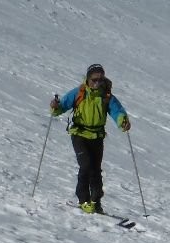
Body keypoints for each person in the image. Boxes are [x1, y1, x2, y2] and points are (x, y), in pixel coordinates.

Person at [49, 63, 131, 213]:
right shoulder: (79, 92)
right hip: (79, 134)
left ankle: (96, 202)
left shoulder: (106, 96)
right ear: (88, 79)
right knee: (86, 165)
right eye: (94, 79)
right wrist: (55, 107)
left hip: (97, 136)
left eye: (100, 80)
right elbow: (62, 106)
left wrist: (123, 121)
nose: (97, 83)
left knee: (95, 169)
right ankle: (83, 200)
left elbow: (117, 111)